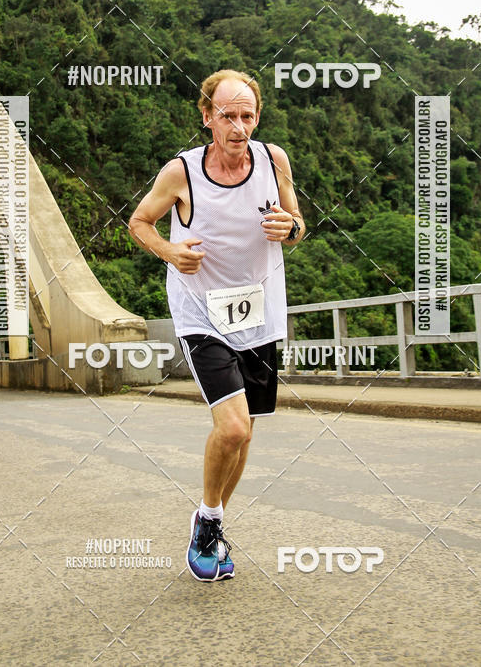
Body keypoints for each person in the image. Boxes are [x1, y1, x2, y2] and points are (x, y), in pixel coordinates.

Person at [128, 69, 305, 581]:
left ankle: (212, 523)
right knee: (232, 427)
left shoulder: (274, 161)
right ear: (207, 116)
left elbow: (297, 223)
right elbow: (140, 222)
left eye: (247, 116)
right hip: (202, 313)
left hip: (260, 315)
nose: (238, 126)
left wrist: (290, 227)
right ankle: (208, 520)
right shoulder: (181, 172)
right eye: (227, 115)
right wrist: (169, 250)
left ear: (258, 118)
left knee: (244, 435)